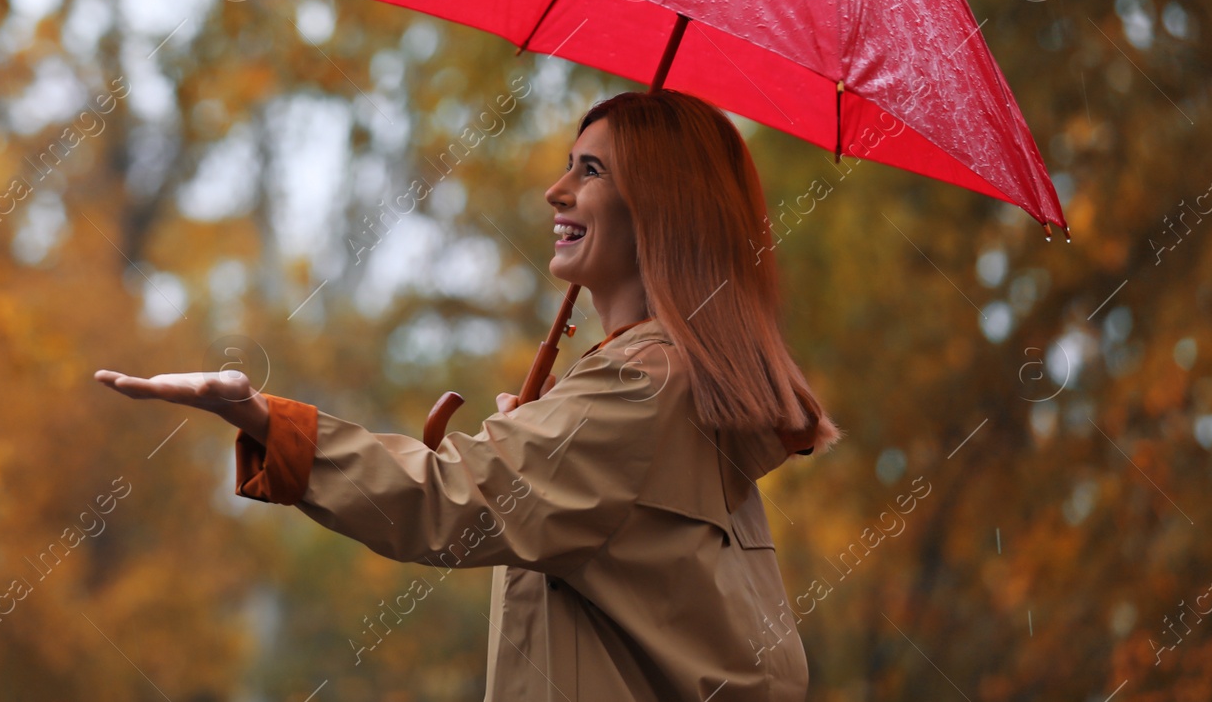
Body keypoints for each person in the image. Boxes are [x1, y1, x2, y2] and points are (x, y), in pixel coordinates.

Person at [96, 89, 841, 700]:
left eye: (590, 171)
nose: (557, 190)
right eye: (568, 166)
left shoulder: (639, 386)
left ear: (661, 206)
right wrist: (545, 434)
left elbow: (448, 499)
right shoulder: (673, 383)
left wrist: (257, 414)